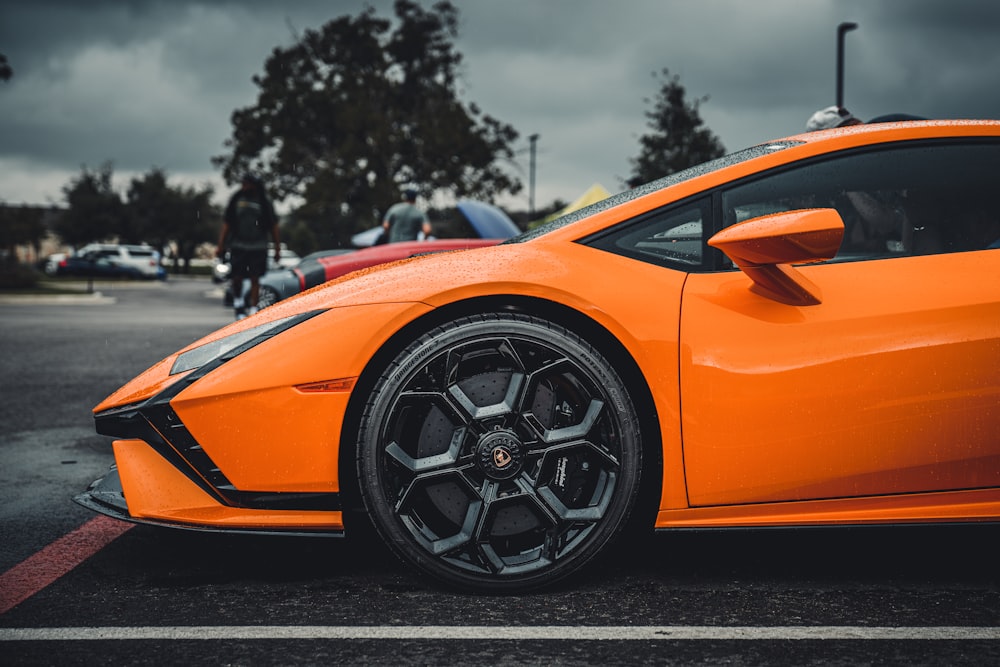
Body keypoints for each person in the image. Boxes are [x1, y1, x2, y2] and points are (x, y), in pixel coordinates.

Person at [217, 174, 280, 319]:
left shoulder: (264, 202)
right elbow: (227, 224)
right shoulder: (237, 199)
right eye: (243, 184)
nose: (244, 187)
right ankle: (238, 303)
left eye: (247, 184)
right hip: (238, 245)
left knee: (255, 278)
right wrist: (221, 245)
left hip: (258, 246)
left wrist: (277, 248)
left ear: (254, 185)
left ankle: (253, 309)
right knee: (236, 277)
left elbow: (274, 226)